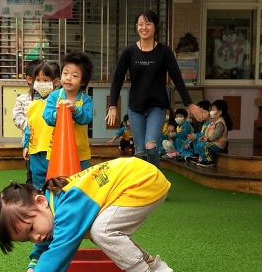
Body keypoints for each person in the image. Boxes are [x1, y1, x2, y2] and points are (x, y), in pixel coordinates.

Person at [0, 157, 173, 272]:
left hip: (141, 181)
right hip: (140, 177)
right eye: (27, 239)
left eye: (31, 229)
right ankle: (152, 266)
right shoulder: (54, 203)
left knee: (102, 231)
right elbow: (46, 244)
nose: (35, 238)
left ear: (40, 201)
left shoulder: (67, 208)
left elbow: (60, 250)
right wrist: (32, 270)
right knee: (95, 229)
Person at [107, 10, 207, 166]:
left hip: (157, 107)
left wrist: (189, 104)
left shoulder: (164, 52)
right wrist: (112, 105)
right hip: (136, 108)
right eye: (140, 24)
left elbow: (177, 79)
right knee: (140, 151)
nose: (144, 27)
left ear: (155, 27)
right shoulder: (129, 52)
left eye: (148, 24)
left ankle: (156, 176)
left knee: (151, 146)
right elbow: (117, 80)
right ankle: (144, 180)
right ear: (136, 27)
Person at [44, 51, 93, 169]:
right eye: (65, 73)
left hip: (80, 154)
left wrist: (75, 110)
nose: (68, 78)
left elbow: (87, 118)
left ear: (83, 81)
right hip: (57, 151)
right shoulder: (54, 96)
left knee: (80, 179)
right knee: (56, 179)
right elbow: (47, 116)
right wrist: (57, 114)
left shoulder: (86, 99)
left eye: (75, 75)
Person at [24, 60, 60, 189]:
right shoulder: (33, 105)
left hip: (52, 150)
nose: (41, 83)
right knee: (37, 181)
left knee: (54, 182)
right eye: (38, 80)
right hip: (35, 151)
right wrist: (26, 145)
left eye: (45, 80)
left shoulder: (58, 103)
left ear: (55, 82)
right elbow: (29, 127)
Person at [13, 60, 37, 183]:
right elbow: (16, 117)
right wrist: (32, 125)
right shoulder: (22, 99)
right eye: (38, 79)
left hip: (48, 145)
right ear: (29, 79)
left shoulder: (51, 98)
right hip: (30, 145)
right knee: (31, 175)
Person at [192, 99, 231, 167]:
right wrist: (205, 137)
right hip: (213, 142)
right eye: (210, 110)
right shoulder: (214, 121)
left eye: (212, 110)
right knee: (199, 145)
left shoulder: (220, 122)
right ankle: (203, 159)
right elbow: (209, 132)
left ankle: (209, 161)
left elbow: (216, 134)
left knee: (204, 146)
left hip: (218, 145)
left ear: (219, 112)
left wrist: (208, 139)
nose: (210, 112)